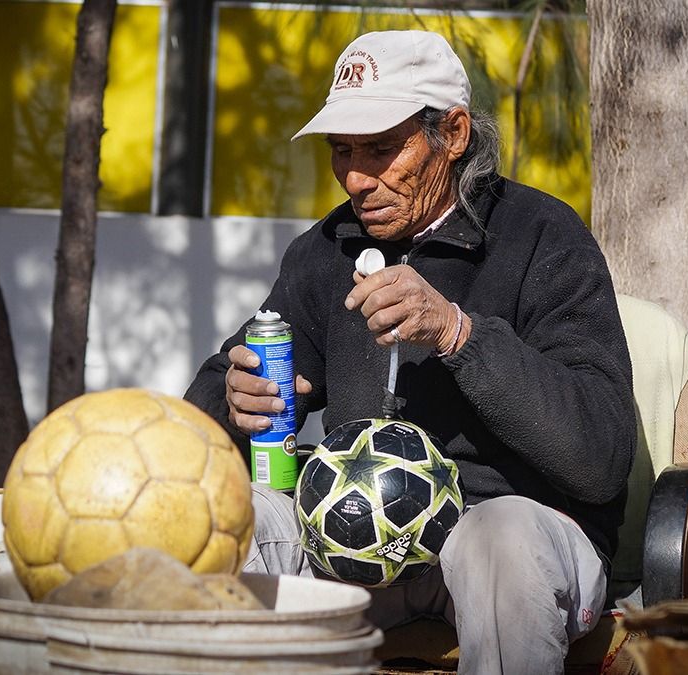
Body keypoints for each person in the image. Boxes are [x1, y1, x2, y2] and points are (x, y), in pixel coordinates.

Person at [185, 29, 635, 674]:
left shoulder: (541, 236)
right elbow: (208, 403)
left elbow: (599, 458)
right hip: (348, 554)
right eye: (342, 151)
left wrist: (459, 334)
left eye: (382, 149)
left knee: (499, 536)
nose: (357, 178)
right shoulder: (324, 254)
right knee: (226, 521)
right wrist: (235, 400)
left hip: (513, 551)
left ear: (452, 135)